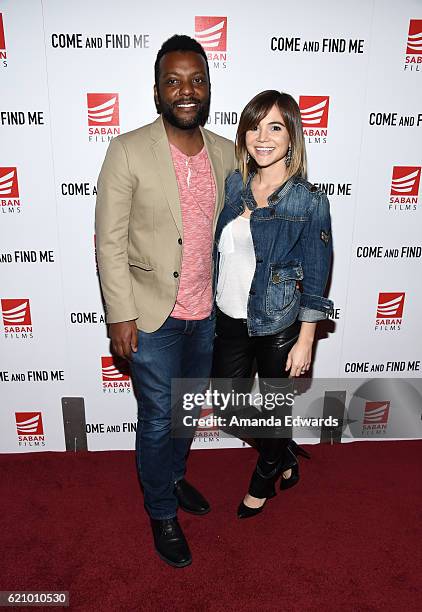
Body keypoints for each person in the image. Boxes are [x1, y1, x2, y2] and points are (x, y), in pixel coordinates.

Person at [95, 35, 236, 567]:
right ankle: (161, 512)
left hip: (207, 316)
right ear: (157, 92)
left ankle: (174, 479)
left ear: (208, 87)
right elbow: (109, 240)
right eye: (173, 81)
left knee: (183, 413)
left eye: (196, 80)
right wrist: (120, 314)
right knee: (158, 417)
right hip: (151, 317)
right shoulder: (128, 149)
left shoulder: (226, 152)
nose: (186, 91)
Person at [211, 90, 333, 518]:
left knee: (276, 408)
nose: (261, 137)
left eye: (274, 127)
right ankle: (282, 453)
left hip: (278, 320)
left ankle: (264, 477)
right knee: (228, 408)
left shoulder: (308, 199)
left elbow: (317, 273)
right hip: (227, 314)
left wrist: (306, 340)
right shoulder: (234, 185)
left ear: (291, 136)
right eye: (254, 126)